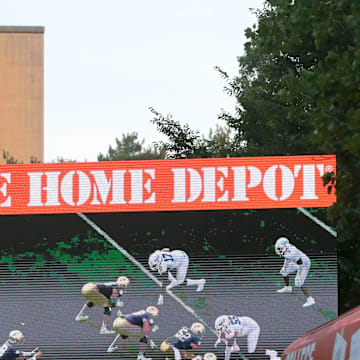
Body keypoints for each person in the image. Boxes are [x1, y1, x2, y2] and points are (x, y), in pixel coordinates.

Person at [275, 237, 315, 307]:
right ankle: (288, 288)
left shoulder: (292, 253)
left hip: (303, 264)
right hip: (296, 261)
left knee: (299, 282)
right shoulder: (287, 249)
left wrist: (299, 275)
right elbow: (287, 258)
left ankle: (310, 299)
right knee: (284, 272)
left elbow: (300, 263)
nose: (278, 250)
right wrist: (285, 267)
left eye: (279, 248)